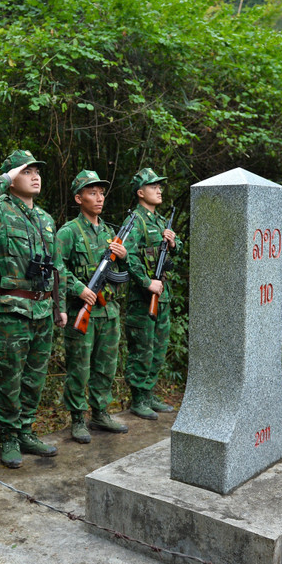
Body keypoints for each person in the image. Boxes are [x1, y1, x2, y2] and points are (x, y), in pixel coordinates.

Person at [0, 149, 67, 469]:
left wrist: (59, 306)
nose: (35, 176)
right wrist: (7, 176)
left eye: (37, 170)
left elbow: (57, 268)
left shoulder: (46, 219)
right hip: (12, 309)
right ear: (11, 179)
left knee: (35, 377)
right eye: (26, 171)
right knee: (9, 377)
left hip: (42, 308)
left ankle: (25, 430)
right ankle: (8, 436)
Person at [55, 170, 130, 443]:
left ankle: (100, 413)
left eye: (101, 193)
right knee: (79, 368)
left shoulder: (109, 232)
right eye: (92, 193)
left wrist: (123, 257)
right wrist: (79, 288)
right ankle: (77, 418)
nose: (99, 198)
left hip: (108, 311)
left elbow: (123, 271)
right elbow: (57, 266)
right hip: (82, 311)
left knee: (106, 366)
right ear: (79, 198)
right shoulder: (68, 232)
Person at [124, 167, 182, 420]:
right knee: (142, 348)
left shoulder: (160, 221)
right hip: (143, 296)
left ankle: (148, 393)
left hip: (163, 293)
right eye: (153, 186)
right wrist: (146, 282)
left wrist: (172, 242)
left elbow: (176, 250)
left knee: (159, 347)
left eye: (160, 186)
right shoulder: (135, 221)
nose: (159, 190)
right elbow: (128, 257)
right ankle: (138, 399)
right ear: (140, 192)